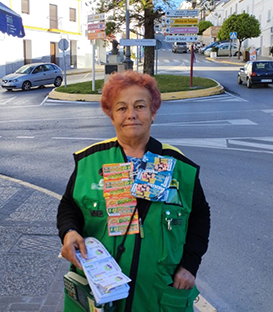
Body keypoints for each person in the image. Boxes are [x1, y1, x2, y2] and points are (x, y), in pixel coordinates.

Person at [57, 71, 211, 312]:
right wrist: (68, 232)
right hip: (98, 293)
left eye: (140, 106)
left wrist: (190, 265)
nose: (131, 115)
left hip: (158, 294)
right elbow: (69, 205)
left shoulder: (181, 167)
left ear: (153, 113)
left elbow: (200, 215)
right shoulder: (89, 161)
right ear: (110, 115)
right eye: (121, 108)